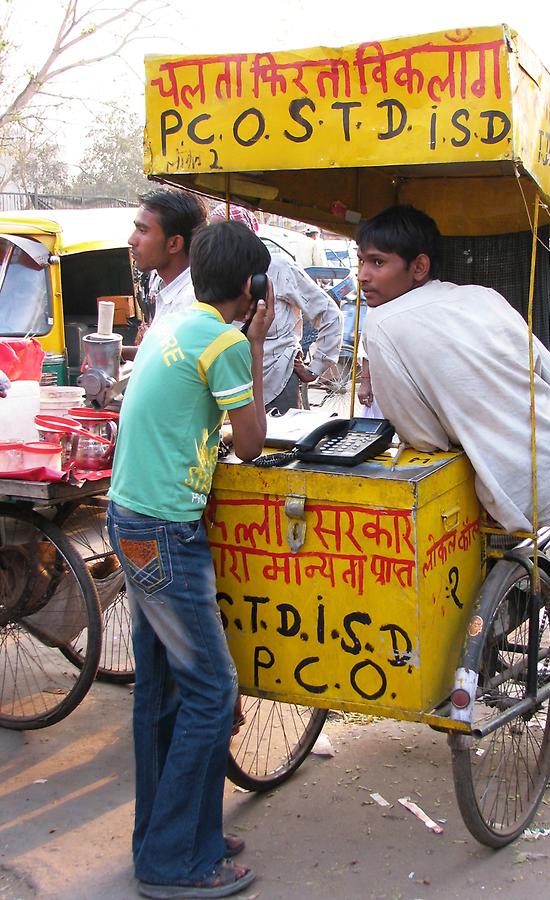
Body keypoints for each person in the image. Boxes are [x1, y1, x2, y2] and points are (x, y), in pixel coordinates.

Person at [107, 219, 275, 898]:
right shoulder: (222, 342)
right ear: (251, 285)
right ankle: (172, 862)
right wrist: (256, 347)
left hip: (128, 520)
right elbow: (252, 444)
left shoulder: (171, 326)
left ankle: (175, 833)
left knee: (165, 690)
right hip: (164, 532)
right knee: (211, 691)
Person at [356, 205, 550, 534]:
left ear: (419, 266)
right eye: (361, 260)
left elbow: (423, 437)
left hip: (505, 496)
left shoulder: (381, 324)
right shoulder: (484, 296)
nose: (363, 274)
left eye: (377, 262)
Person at [209, 203, 343, 413]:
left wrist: (317, 367)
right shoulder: (213, 276)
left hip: (277, 378)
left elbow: (329, 314)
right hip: (230, 381)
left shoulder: (279, 267)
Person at [122, 188, 208, 360]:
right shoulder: (165, 288)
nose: (132, 240)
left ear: (174, 244)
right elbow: (161, 354)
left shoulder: (190, 303)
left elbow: (174, 366)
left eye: (143, 230)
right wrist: (118, 352)